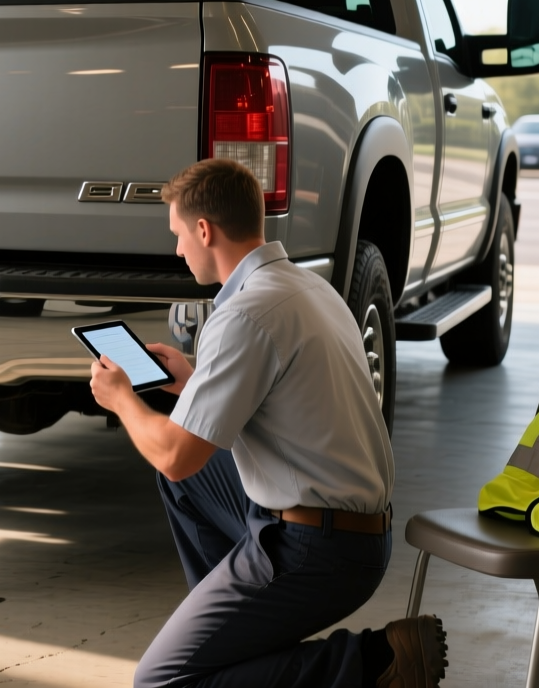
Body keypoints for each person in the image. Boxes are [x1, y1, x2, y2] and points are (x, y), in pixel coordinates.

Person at [89, 158, 448, 688]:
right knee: (184, 486)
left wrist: (123, 399)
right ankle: (234, 633)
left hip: (317, 549)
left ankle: (374, 661)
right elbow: (284, 407)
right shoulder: (308, 289)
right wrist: (193, 383)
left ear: (205, 230)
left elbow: (174, 452)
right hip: (356, 531)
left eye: (179, 235)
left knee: (163, 680)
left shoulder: (243, 316)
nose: (178, 249)